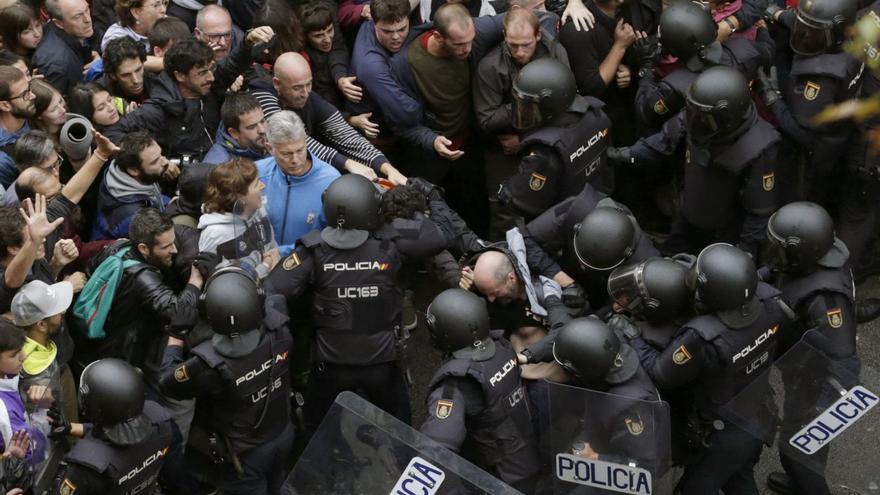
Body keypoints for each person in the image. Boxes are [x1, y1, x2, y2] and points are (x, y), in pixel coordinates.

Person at [264, 174, 449, 429]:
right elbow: (437, 236)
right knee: (400, 430)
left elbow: (272, 288)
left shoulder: (312, 250)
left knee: (319, 430)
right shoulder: (392, 241)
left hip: (330, 366)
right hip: (382, 365)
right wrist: (390, 220)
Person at [624, 243, 788, 493]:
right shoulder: (771, 303)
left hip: (724, 431)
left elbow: (661, 374)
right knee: (739, 480)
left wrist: (632, 336)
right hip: (759, 412)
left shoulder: (703, 337)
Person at [611, 66, 781, 256]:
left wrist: (744, 253)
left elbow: (759, 212)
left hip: (723, 234)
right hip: (686, 214)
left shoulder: (759, 147)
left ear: (726, 118)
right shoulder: (699, 113)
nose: (693, 119)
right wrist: (624, 154)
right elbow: (663, 141)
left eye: (703, 117)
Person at [159, 266, 294, 495]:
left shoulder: (207, 364)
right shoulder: (278, 327)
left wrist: (175, 335)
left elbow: (167, 382)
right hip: (282, 432)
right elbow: (267, 298)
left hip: (245, 454)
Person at [759, 202, 858, 495]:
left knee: (797, 451)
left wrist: (816, 412)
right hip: (801, 371)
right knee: (799, 450)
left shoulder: (826, 299)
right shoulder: (818, 257)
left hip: (815, 385)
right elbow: (780, 270)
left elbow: (844, 362)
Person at [420, 288, 541, 492]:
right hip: (527, 456)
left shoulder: (458, 382)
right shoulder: (503, 348)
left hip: (495, 479)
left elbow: (438, 445)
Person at [104, 28, 275, 161]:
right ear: (180, 76)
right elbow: (111, 136)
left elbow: (232, 64)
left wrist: (247, 42)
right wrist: (152, 158)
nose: (211, 77)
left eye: (211, 69)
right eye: (202, 73)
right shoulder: (158, 109)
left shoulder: (210, 85)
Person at [473, 7, 570, 239]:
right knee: (505, 211)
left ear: (537, 36)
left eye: (526, 45)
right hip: (502, 148)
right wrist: (526, 100)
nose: (519, 51)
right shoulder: (491, 66)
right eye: (513, 45)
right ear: (504, 35)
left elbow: (567, 102)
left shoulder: (554, 52)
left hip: (544, 139)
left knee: (552, 202)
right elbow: (486, 119)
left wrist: (526, 135)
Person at [252, 51, 406, 184]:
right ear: (277, 84)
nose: (305, 93)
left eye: (309, 84)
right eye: (297, 87)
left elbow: (344, 133)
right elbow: (293, 138)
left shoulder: (310, 98)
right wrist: (347, 163)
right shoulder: (262, 96)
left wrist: (387, 168)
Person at [634, 0, 774, 135]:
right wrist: (762, 30)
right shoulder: (744, 49)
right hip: (747, 130)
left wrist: (646, 67)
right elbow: (768, 51)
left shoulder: (674, 87)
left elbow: (646, 114)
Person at [499, 58, 612, 219]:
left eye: (529, 107)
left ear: (551, 106)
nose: (524, 113)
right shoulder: (597, 115)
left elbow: (522, 202)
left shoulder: (545, 153)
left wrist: (505, 191)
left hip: (561, 226)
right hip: (598, 205)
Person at [52, 358, 179, 495]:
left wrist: (59, 478)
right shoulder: (160, 420)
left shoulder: (88, 465)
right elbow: (125, 432)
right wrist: (72, 428)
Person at [524, 187, 660, 311]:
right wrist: (559, 276)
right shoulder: (577, 209)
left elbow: (623, 306)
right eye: (583, 261)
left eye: (589, 263)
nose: (583, 266)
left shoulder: (644, 269)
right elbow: (525, 238)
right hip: (563, 268)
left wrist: (613, 309)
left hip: (604, 287)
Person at [256, 111, 339, 256]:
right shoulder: (256, 174)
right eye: (286, 154)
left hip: (309, 268)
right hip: (263, 266)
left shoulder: (331, 181)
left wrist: (283, 252)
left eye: (300, 150)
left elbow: (336, 237)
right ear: (270, 149)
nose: (295, 160)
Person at [198, 158, 280, 278]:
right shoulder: (215, 235)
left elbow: (272, 249)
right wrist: (265, 267)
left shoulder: (259, 211)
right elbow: (222, 283)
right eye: (257, 184)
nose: (263, 186)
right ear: (240, 196)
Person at [92, 130, 173, 240]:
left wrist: (169, 203)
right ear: (133, 170)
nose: (165, 162)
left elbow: (150, 197)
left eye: (161, 155)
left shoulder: (121, 174)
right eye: (155, 161)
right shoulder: (132, 218)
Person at [11, 280, 73, 422]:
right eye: (57, 312)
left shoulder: (22, 340)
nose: (62, 312)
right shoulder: (35, 372)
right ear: (42, 325)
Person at [0, 318, 47, 466]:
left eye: (22, 348)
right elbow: (29, 455)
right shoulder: (4, 413)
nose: (24, 356)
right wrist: (42, 409)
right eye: (14, 354)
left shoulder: (11, 374)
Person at [32, 0, 96, 96]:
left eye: (87, 9)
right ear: (59, 23)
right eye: (77, 16)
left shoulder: (75, 32)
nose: (87, 19)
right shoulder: (59, 65)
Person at [203, 92, 269, 165]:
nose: (262, 130)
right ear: (234, 133)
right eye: (252, 127)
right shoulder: (218, 166)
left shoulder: (274, 142)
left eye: (262, 121)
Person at [0, 66, 34, 190]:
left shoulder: (29, 112)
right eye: (25, 94)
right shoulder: (3, 160)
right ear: (5, 105)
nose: (33, 96)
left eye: (30, 88)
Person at [100, 37, 153, 107]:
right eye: (126, 75)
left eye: (138, 70)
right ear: (113, 75)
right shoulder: (102, 95)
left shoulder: (155, 79)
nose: (136, 80)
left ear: (143, 64)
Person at [100, 0, 166, 53]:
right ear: (136, 12)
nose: (163, 10)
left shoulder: (164, 21)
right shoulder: (116, 36)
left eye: (164, 3)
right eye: (156, 5)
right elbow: (125, 60)